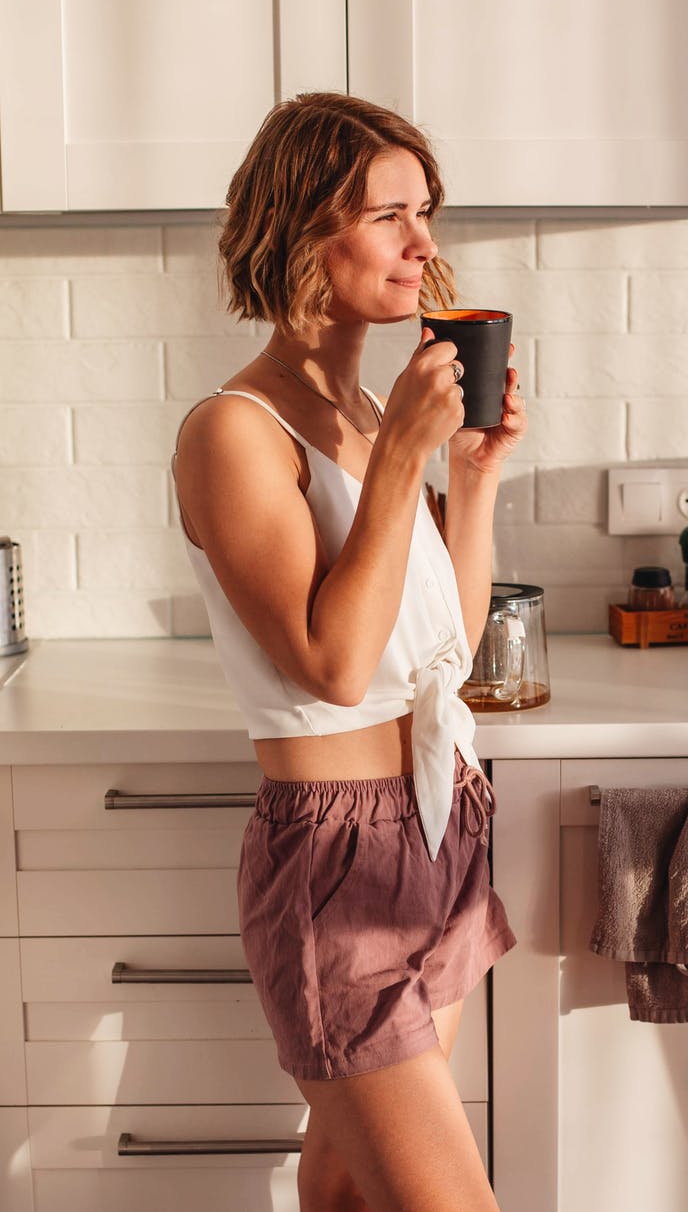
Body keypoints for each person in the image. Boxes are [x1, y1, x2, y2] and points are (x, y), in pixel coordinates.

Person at [173, 91, 527, 1212]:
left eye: (424, 211)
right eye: (389, 216)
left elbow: (441, 652)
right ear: (302, 233)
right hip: (336, 865)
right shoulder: (234, 430)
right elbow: (331, 664)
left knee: (344, 1191)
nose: (424, 245)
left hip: (438, 825)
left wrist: (469, 476)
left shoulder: (368, 412)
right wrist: (395, 468)